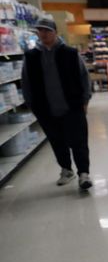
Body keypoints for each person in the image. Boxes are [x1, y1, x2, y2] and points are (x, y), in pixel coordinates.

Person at [22, 18, 93, 190]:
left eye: (47, 31)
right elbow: (26, 82)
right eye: (41, 31)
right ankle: (66, 170)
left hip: (72, 105)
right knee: (56, 141)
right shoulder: (31, 56)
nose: (44, 34)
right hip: (45, 108)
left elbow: (84, 77)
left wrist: (85, 99)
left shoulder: (69, 53)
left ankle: (83, 173)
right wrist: (32, 105)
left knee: (78, 141)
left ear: (55, 32)